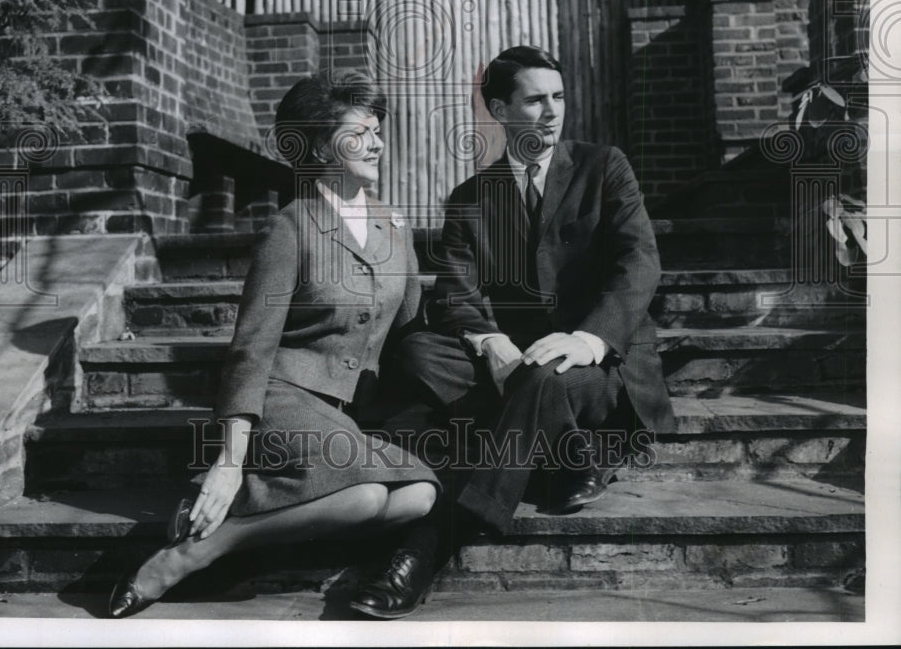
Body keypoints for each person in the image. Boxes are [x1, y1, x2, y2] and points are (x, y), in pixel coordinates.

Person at [108, 71, 440, 620]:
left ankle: (237, 524)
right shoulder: (291, 228)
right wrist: (229, 461)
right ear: (319, 146)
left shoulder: (394, 225)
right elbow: (251, 349)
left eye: (377, 130)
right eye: (359, 133)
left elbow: (411, 330)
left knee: (417, 495)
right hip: (283, 399)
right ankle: (194, 553)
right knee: (364, 496)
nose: (377, 143)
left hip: (347, 412)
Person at [397, 44, 676, 535]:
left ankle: (454, 525)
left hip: (600, 363)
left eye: (559, 97)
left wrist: (589, 339)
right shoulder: (470, 198)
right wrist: (490, 341)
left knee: (546, 377)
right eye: (535, 100)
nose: (552, 112)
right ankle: (567, 451)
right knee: (418, 351)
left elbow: (639, 264)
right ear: (500, 110)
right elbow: (454, 297)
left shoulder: (603, 167)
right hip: (522, 360)